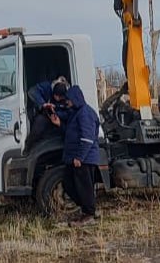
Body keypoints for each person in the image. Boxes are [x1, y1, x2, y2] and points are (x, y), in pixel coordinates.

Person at [51, 85, 100, 226]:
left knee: (84, 187)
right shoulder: (76, 113)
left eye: (69, 100)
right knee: (70, 184)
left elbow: (87, 138)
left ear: (76, 98)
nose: (67, 102)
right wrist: (59, 124)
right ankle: (88, 209)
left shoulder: (85, 114)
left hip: (85, 159)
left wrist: (79, 157)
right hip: (76, 158)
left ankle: (89, 214)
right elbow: (71, 133)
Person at [24, 77, 70, 149]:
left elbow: (69, 111)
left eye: (60, 97)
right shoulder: (48, 86)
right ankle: (28, 146)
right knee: (38, 124)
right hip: (46, 114)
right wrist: (43, 104)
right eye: (55, 96)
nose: (57, 99)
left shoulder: (69, 95)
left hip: (60, 117)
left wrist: (57, 114)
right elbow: (32, 91)